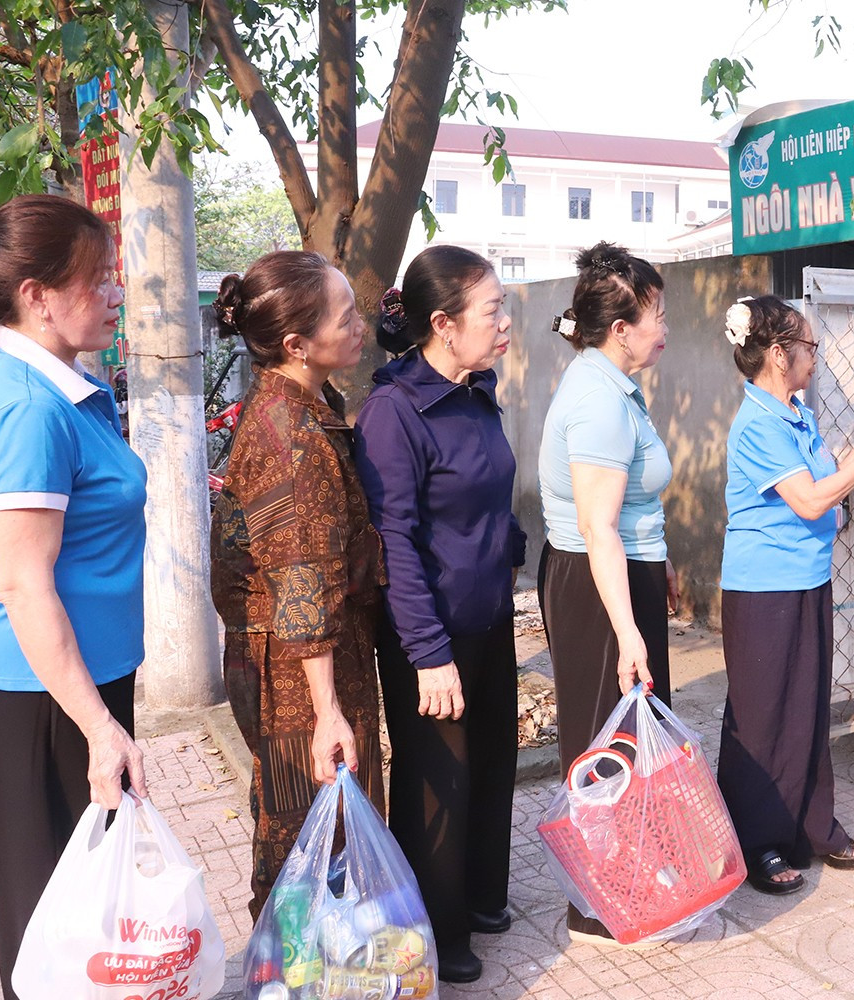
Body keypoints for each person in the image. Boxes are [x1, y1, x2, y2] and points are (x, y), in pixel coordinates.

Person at [0, 194, 148, 1000]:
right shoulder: (31, 410)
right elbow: (20, 582)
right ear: (37, 295)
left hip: (77, 681)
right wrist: (99, 729)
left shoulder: (66, 386)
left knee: (92, 909)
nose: (115, 294)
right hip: (42, 695)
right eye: (97, 279)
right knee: (51, 915)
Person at [353, 246, 525, 984]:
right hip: (434, 631)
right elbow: (395, 538)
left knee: (492, 764)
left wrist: (509, 558)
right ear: (442, 324)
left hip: (488, 614)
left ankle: (483, 900)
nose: (505, 322)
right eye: (492, 310)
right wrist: (426, 652)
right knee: (438, 787)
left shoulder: (477, 391)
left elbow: (491, 497)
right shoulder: (395, 412)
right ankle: (438, 930)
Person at [715, 296, 854, 895]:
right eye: (808, 347)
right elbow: (808, 499)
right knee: (761, 720)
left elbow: (829, 473)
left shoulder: (794, 413)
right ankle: (758, 844)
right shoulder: (755, 423)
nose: (816, 356)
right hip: (763, 591)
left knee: (806, 709)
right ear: (778, 355)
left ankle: (812, 828)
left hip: (807, 578)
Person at [209, 250, 385, 919]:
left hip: (294, 659)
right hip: (296, 674)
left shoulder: (302, 405)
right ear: (296, 344)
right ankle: (300, 976)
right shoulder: (293, 439)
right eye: (346, 316)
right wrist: (328, 712)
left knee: (312, 828)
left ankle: (324, 974)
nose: (359, 325)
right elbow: (303, 584)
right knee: (309, 837)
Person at [536, 242, 676, 945]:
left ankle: (627, 880)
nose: (664, 327)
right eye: (656, 315)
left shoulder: (614, 386)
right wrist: (627, 631)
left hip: (619, 573)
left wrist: (663, 563)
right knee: (607, 742)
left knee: (623, 735)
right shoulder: (597, 400)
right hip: (598, 586)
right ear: (619, 329)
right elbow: (597, 525)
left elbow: (631, 510)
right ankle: (596, 903)